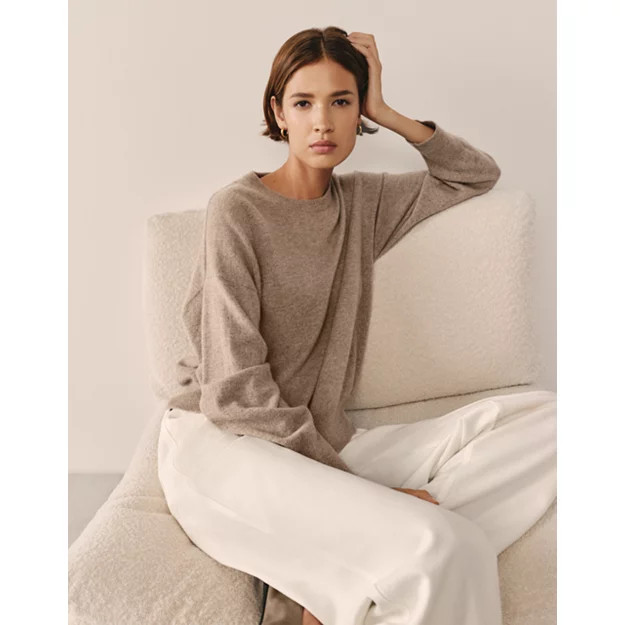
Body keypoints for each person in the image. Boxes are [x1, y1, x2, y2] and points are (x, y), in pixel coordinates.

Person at [157, 26, 556, 625]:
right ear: (278, 113)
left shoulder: (362, 204)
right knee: (447, 546)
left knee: (557, 422)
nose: (323, 122)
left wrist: (386, 111)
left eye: (341, 102)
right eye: (304, 103)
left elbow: (475, 175)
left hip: (320, 439)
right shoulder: (236, 211)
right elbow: (236, 394)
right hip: (227, 444)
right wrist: (366, 494)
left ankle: (343, 581)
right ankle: (371, 558)